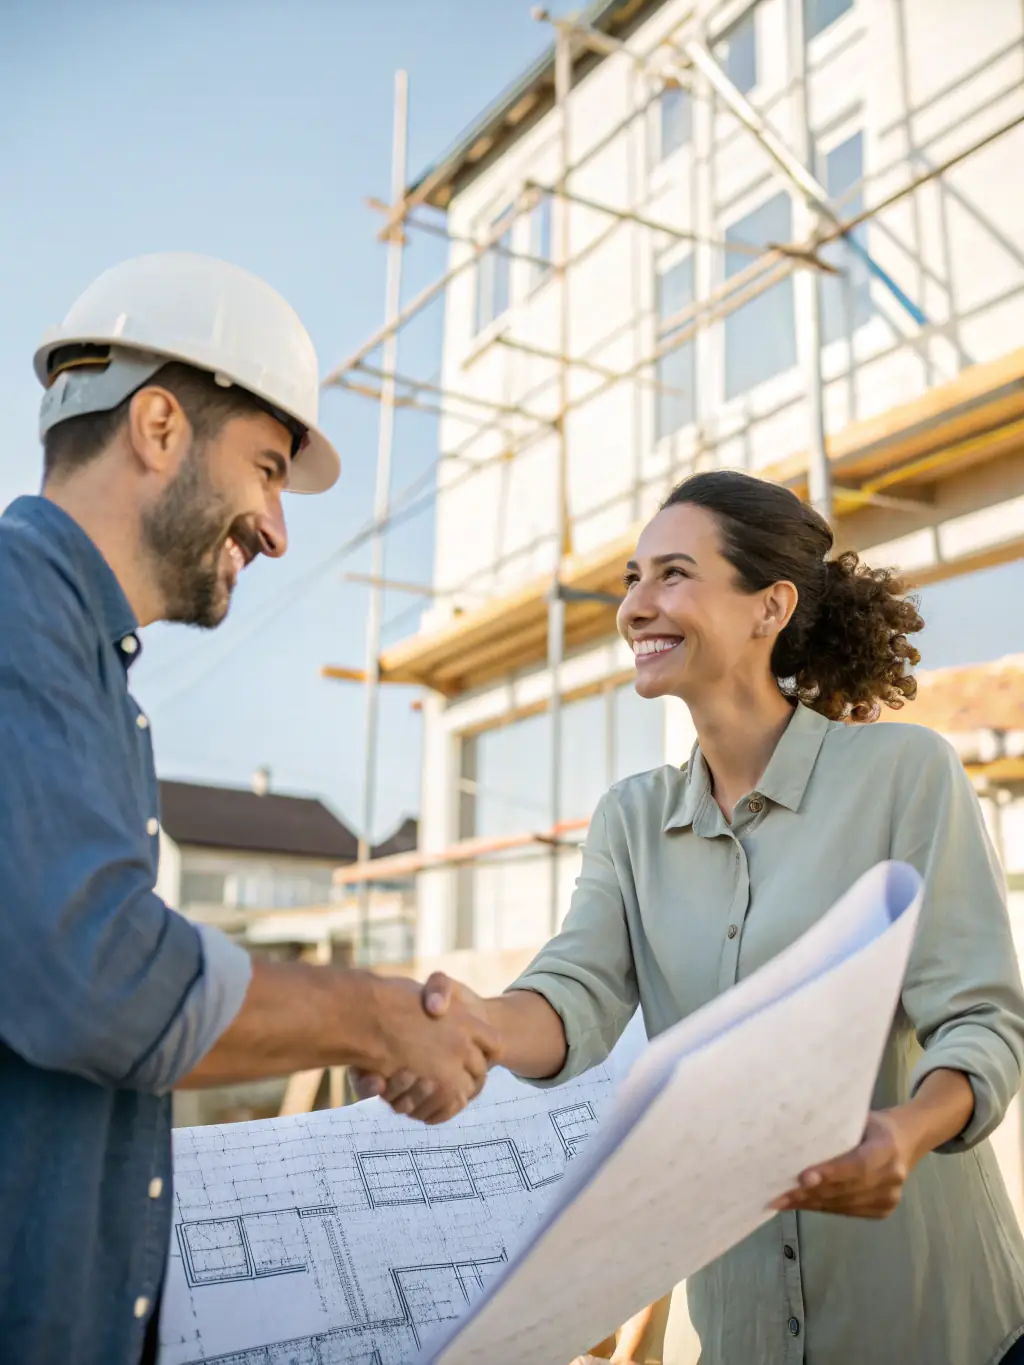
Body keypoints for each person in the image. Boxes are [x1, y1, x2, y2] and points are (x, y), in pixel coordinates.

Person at [356, 469, 1024, 1365]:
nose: (636, 605)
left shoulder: (903, 774)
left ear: (769, 606)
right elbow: (574, 993)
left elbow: (981, 1019)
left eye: (672, 573)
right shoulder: (630, 820)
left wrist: (905, 1133)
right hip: (741, 1327)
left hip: (929, 1321)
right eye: (633, 578)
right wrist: (473, 1023)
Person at [0, 253, 501, 1365]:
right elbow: (96, 980)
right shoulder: (15, 609)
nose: (276, 528)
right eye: (267, 470)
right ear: (161, 427)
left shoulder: (83, 665)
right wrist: (372, 1018)